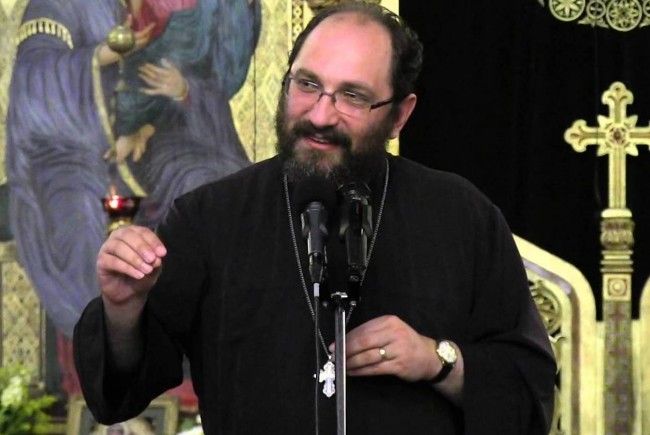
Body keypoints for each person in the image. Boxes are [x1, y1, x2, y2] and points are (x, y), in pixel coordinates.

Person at [74, 3, 556, 434]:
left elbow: (529, 395)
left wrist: (437, 360)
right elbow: (119, 395)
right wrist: (123, 310)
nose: (321, 115)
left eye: (353, 96)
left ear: (399, 115)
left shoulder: (461, 217)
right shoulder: (209, 218)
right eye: (307, 85)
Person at [6, 0, 260, 337]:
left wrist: (149, 125)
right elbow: (32, 80)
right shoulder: (55, 5)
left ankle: (202, 338)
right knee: (82, 215)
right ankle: (102, 343)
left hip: (148, 147)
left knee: (207, 187)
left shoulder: (150, 11)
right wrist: (99, 57)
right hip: (66, 152)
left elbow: (182, 85)